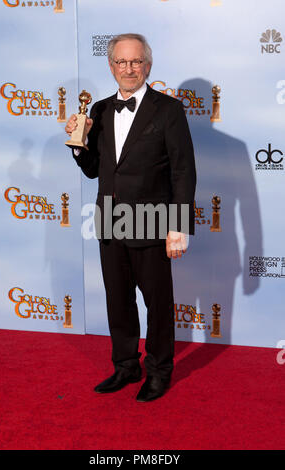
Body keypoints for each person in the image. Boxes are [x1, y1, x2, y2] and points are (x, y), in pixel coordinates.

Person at [65, 33, 196, 402]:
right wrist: (79, 144)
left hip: (153, 220)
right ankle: (126, 366)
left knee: (158, 304)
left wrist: (178, 226)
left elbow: (183, 172)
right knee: (117, 300)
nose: (129, 69)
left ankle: (158, 370)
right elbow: (94, 170)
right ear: (111, 67)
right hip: (110, 220)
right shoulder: (100, 110)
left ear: (147, 66)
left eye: (136, 61)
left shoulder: (169, 110)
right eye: (121, 62)